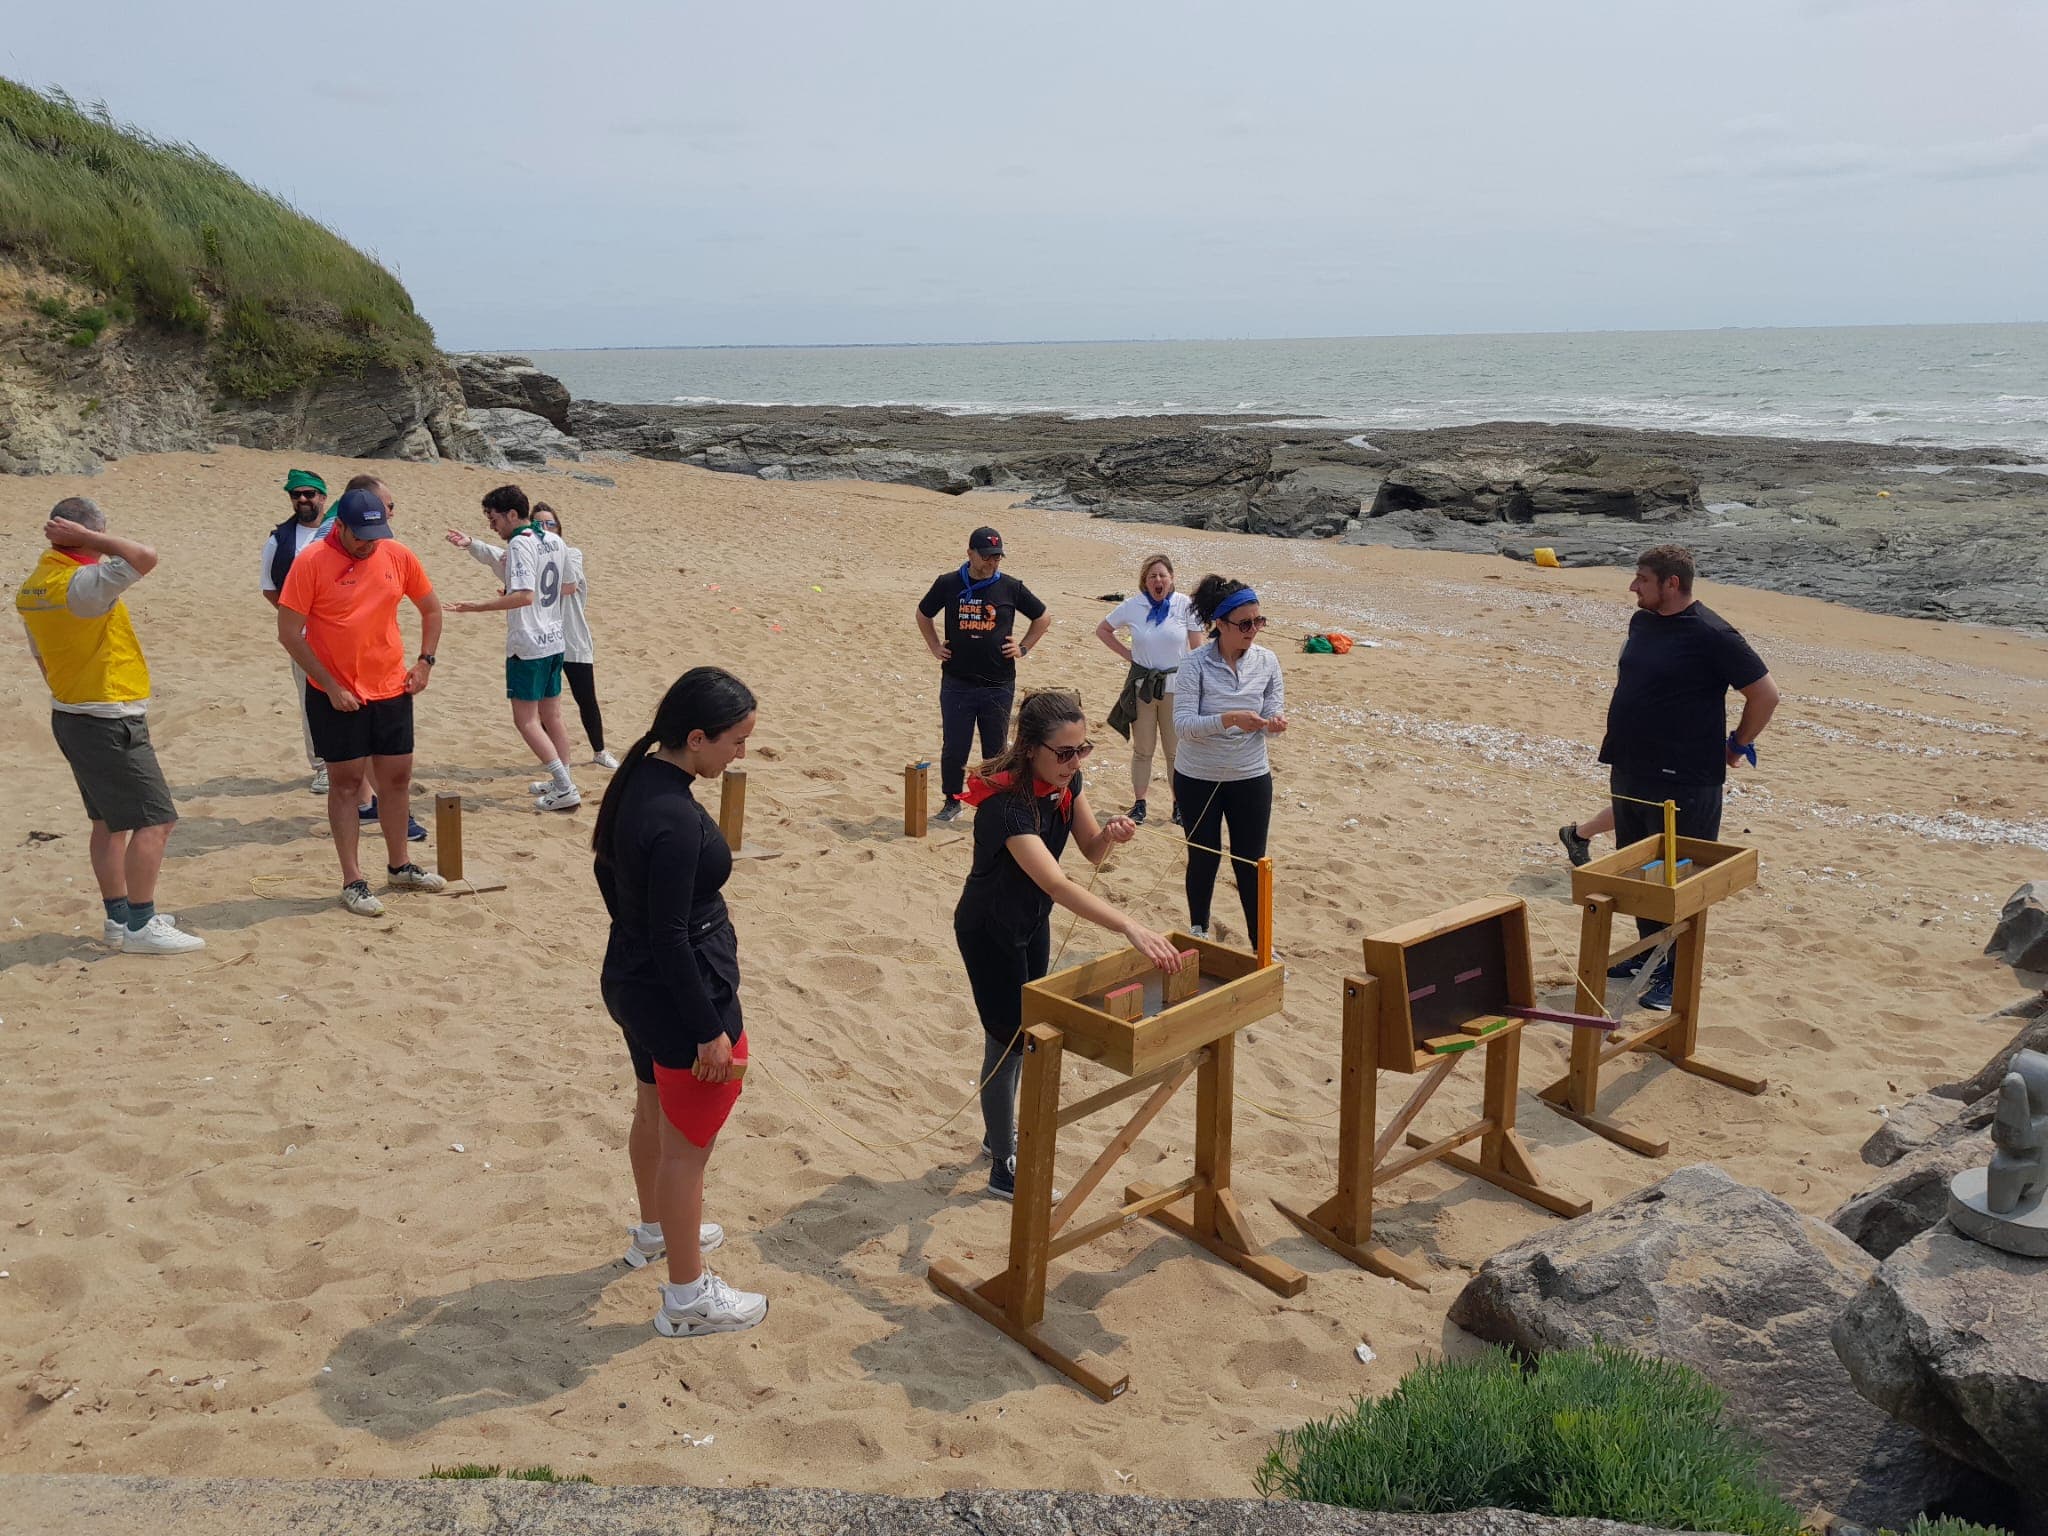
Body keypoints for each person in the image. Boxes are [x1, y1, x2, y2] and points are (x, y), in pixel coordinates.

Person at [593, 667, 768, 1337]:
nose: (740, 753)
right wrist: (707, 1031)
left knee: (653, 1112)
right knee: (687, 1148)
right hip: (678, 991)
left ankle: (656, 1231)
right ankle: (688, 1299)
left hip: (633, 981)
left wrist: (633, 930)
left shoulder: (638, 777)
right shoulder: (669, 814)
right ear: (696, 738)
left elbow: (604, 869)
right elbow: (670, 936)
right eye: (735, 740)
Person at [953, 690, 1182, 1199]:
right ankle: (1001, 1161)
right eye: (1064, 752)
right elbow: (1057, 883)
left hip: (1032, 923)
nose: (1074, 762)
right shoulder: (1006, 809)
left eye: (1083, 750)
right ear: (1031, 747)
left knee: (1032, 1029)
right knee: (1007, 1039)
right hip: (988, 929)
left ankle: (998, 1138)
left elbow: (1092, 854)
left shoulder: (1067, 781)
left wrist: (1113, 835)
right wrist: (1130, 927)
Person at [15, 497, 205, 954]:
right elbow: (144, 556)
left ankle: (120, 918)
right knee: (157, 820)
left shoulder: (35, 587)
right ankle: (141, 924)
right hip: (107, 716)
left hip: (72, 714)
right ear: (84, 536)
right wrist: (94, 540)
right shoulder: (82, 584)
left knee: (108, 823)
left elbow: (43, 660)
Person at [1597, 544, 1779, 1011]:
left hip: (1686, 779)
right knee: (1639, 874)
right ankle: (1649, 955)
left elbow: (1765, 695)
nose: (1633, 586)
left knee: (1679, 879)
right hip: (1631, 766)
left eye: (1641, 578)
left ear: (1671, 583)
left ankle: (1676, 973)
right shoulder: (1642, 621)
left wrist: (1738, 745)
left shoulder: (1713, 633)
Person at [276, 488, 447, 916]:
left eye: (376, 534)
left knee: (397, 780)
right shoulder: (311, 561)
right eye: (361, 535)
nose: (369, 543)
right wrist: (330, 685)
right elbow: (288, 633)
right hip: (336, 694)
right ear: (341, 525)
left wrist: (425, 662)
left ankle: (399, 864)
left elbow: (431, 608)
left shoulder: (396, 554)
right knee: (347, 785)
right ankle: (353, 880)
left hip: (391, 687)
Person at [447, 501, 616, 773]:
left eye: (550, 524)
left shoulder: (568, 553)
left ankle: (598, 751)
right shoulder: (529, 551)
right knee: (547, 710)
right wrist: (472, 544)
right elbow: (499, 558)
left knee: (584, 698)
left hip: (570, 640)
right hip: (546, 643)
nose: (545, 528)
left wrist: (519, 592)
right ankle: (560, 767)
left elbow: (566, 587)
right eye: (540, 523)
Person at [448, 485, 581, 812]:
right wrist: (473, 546)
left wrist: (477, 606)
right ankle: (564, 778)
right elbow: (565, 584)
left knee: (526, 721)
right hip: (553, 638)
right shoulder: (552, 538)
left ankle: (564, 786)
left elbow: (523, 594)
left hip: (530, 643)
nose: (492, 525)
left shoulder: (523, 543)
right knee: (552, 714)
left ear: (511, 514)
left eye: (494, 519)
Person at [1173, 575, 1286, 949]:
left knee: (1251, 862)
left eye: (1259, 621)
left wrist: (1274, 723)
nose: (1253, 630)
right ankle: (1198, 933)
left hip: (1251, 776)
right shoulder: (1194, 664)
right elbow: (1184, 725)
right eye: (1244, 623)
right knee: (1204, 857)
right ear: (1219, 625)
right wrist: (1230, 718)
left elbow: (1271, 712)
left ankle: (1261, 945)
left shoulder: (1267, 661)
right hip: (1198, 776)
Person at [915, 526, 1049, 823]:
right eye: (987, 556)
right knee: (955, 746)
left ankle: (993, 801)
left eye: (997, 557)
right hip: (957, 682)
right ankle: (952, 800)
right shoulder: (948, 583)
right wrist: (935, 646)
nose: (992, 562)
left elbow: (1042, 617)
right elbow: (924, 613)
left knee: (996, 748)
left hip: (999, 683)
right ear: (970, 554)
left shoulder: (1011, 587)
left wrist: (1024, 647)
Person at [1098, 552, 1203, 825]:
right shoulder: (1133, 606)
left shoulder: (1186, 606)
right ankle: (1140, 804)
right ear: (1145, 581)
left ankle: (1179, 805)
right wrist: (1128, 654)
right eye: (1152, 576)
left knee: (1175, 751)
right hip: (1143, 688)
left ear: (1171, 579)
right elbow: (1103, 630)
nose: (1158, 580)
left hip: (1175, 688)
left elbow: (1197, 648)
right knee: (1143, 749)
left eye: (1162, 575)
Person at [261, 469, 331, 793]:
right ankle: (322, 765)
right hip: (303, 637)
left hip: (341, 630)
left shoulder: (338, 533)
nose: (302, 499)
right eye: (296, 494)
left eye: (309, 493)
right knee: (311, 700)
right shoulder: (279, 539)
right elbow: (270, 588)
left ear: (322, 497)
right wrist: (295, 620)